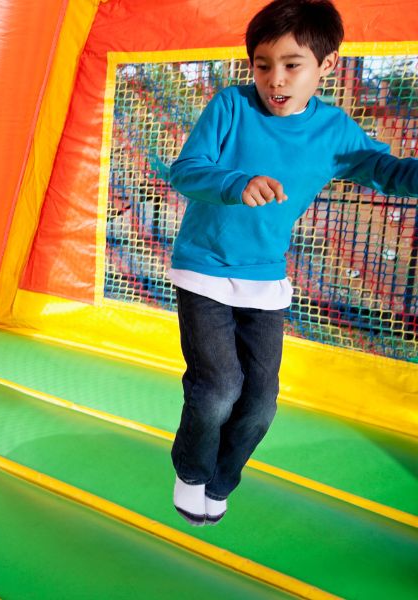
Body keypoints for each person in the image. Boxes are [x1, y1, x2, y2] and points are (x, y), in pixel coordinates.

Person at [167, 0, 418, 525]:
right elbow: (186, 170)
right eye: (262, 65)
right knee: (218, 390)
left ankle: (221, 480)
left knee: (260, 406)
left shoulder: (334, 130)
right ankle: (191, 472)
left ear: (325, 66)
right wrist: (237, 183)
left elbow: (384, 170)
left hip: (263, 279)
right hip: (203, 268)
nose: (274, 80)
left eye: (291, 65)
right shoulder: (231, 107)